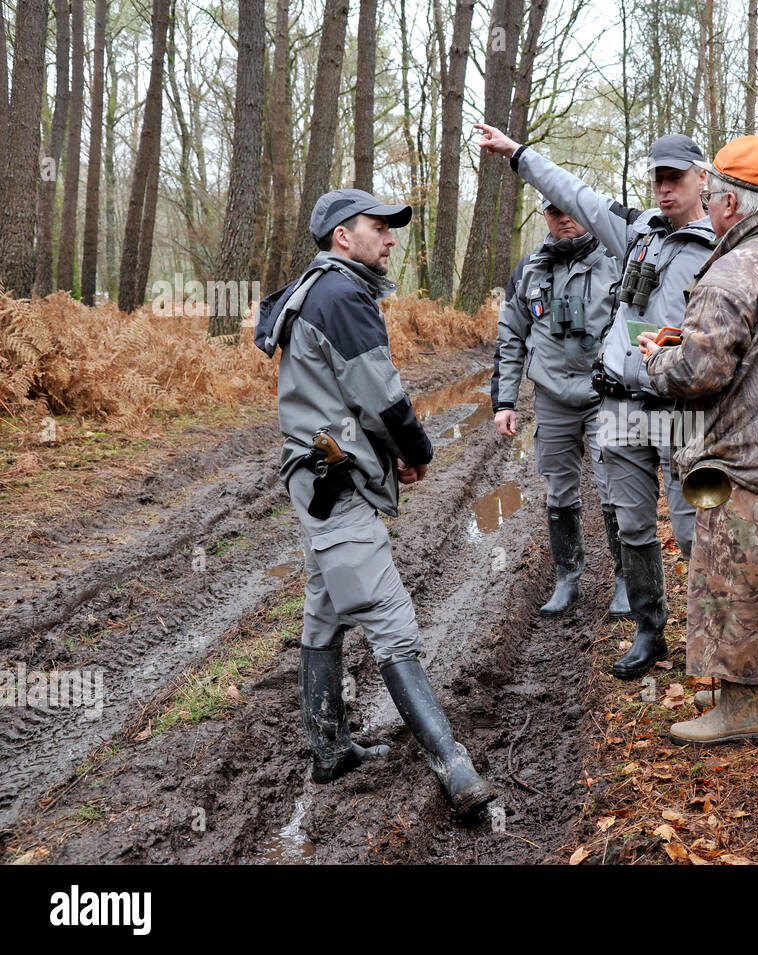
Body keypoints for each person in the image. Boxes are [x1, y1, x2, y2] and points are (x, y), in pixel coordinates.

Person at [254, 187, 494, 816]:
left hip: (321, 475)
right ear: (342, 235)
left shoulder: (322, 289)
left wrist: (386, 456)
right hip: (332, 482)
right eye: (378, 228)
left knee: (325, 610)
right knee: (392, 621)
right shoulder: (340, 295)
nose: (390, 239)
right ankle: (455, 765)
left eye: (392, 228)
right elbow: (380, 397)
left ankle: (330, 749)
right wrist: (416, 451)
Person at [475, 122, 715, 680]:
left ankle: (709, 645)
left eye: (676, 177)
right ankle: (648, 631)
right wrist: (517, 153)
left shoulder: (722, 246)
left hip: (682, 412)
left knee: (692, 531)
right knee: (632, 524)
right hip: (620, 408)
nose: (664, 188)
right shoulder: (636, 233)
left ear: (702, 179)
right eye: (657, 177)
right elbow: (573, 190)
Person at [638, 137, 758, 746]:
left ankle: (741, 712)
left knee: (735, 582)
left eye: (717, 194)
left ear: (732, 204)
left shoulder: (734, 270)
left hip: (745, 462)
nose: (712, 206)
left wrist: (656, 361)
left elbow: (698, 374)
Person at [494, 194, 627, 617]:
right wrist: (505, 401)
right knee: (559, 489)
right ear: (544, 216)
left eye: (569, 209)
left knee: (615, 486)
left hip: (607, 394)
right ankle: (567, 579)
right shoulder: (529, 269)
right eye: (553, 211)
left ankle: (626, 580)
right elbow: (510, 335)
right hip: (552, 398)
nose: (563, 218)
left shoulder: (616, 258)